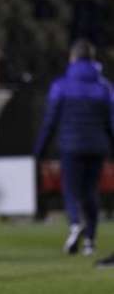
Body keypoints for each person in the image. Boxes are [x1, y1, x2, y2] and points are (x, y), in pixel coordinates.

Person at [34, 39, 114, 256]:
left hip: (70, 145)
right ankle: (90, 240)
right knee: (91, 191)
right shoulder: (105, 87)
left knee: (71, 189)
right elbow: (111, 122)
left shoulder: (60, 86)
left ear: (72, 58)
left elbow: (50, 120)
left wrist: (39, 149)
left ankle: (75, 224)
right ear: (93, 59)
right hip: (97, 146)